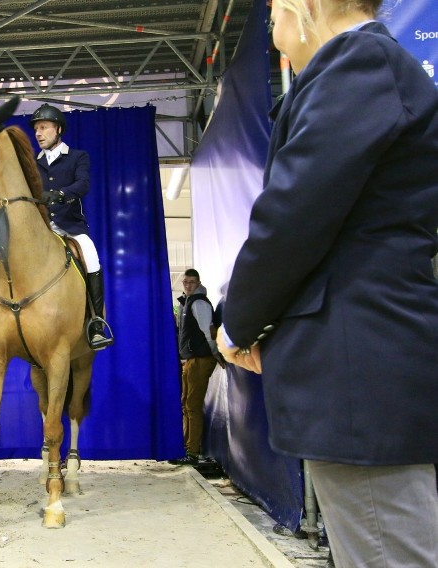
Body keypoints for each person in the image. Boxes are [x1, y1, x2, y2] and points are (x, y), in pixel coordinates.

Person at [217, 1, 438, 566]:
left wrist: (236, 323)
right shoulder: (367, 68)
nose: (274, 37)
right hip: (357, 364)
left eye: (275, 18)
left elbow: (292, 216)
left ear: (306, 7)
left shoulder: (356, 64)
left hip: (357, 372)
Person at [0, 104, 114, 350]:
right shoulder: (30, 163)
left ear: (58, 129)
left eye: (43, 128)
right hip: (37, 230)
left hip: (70, 227)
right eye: (36, 129)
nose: (38, 133)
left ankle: (96, 323)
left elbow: (83, 184)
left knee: (91, 255)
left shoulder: (78, 157)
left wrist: (59, 194)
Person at [168, 269, 224, 467]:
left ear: (198, 282)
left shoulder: (198, 302)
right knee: (186, 404)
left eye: (192, 282)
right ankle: (187, 447)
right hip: (191, 359)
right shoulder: (187, 302)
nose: (188, 285)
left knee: (192, 405)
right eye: (186, 282)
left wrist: (215, 354)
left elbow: (208, 331)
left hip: (201, 358)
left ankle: (192, 451)